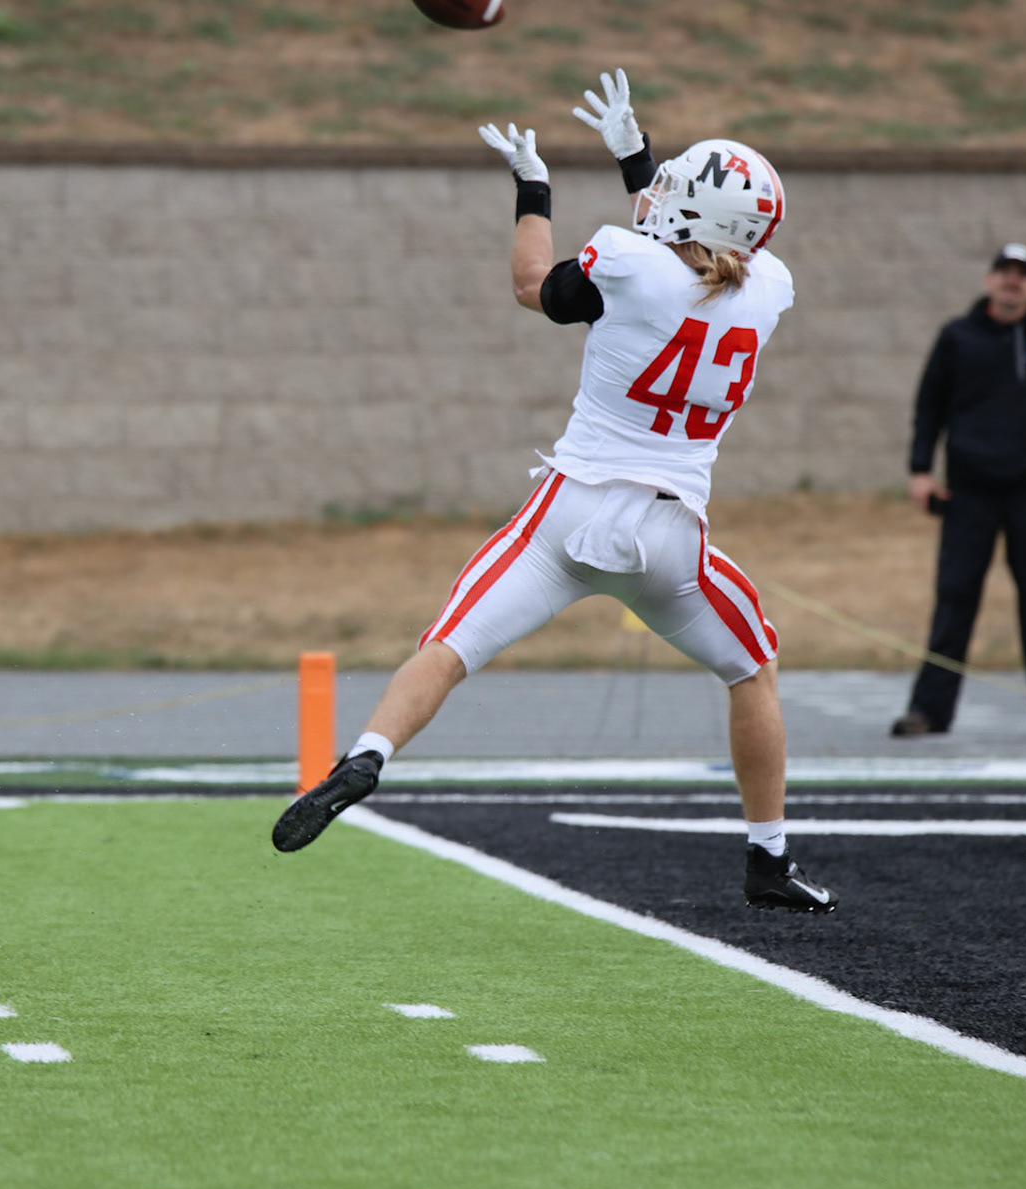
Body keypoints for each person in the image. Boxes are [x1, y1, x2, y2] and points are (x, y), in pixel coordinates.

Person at [271, 69, 836, 914]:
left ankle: (368, 755)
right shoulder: (768, 291)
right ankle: (769, 857)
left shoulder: (626, 262)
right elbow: (686, 243)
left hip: (567, 514)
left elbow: (534, 283)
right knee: (751, 670)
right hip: (669, 536)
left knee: (449, 646)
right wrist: (637, 158)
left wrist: (532, 189)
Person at [890, 244, 1026, 739]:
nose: (1013, 282)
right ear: (989, 280)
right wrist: (921, 470)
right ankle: (929, 711)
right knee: (955, 598)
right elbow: (929, 406)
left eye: (1022, 275)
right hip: (970, 490)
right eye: (1005, 272)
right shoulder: (957, 337)